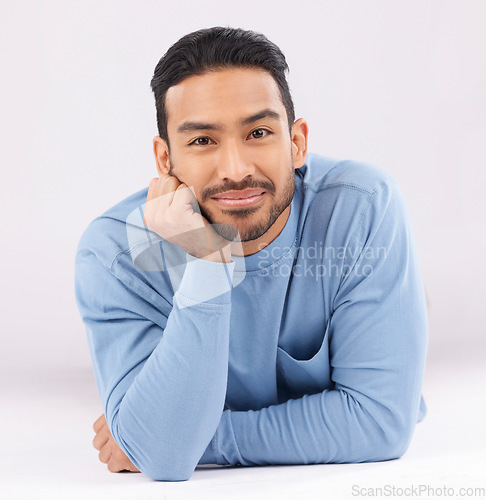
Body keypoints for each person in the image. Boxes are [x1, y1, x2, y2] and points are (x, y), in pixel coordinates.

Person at [74, 26, 428, 482]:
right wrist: (206, 263)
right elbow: (163, 461)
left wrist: (192, 438)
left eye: (258, 132)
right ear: (165, 160)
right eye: (202, 140)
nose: (237, 170)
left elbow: (380, 423)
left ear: (296, 142)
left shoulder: (360, 206)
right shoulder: (116, 255)